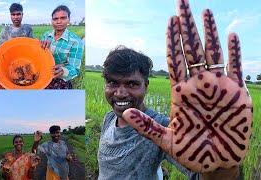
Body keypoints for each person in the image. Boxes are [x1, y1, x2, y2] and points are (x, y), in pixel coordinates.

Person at [97, 0, 252, 179]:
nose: (120, 92)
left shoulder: (162, 128)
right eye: (112, 83)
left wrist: (222, 167)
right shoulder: (109, 118)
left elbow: (202, 173)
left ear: (146, 86)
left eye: (132, 84)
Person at [40, 5, 84, 89]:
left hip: (59, 79)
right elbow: (38, 56)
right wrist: (39, 46)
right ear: (52, 20)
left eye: (63, 18)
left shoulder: (75, 41)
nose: (59, 21)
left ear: (68, 19)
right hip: (43, 74)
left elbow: (74, 69)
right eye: (55, 19)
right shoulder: (46, 35)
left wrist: (63, 71)